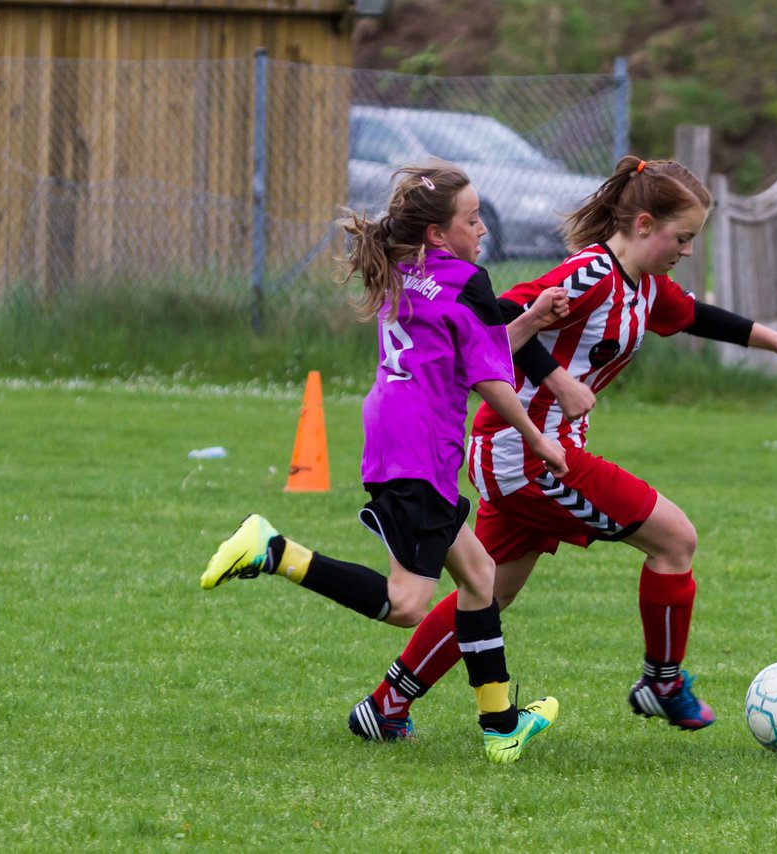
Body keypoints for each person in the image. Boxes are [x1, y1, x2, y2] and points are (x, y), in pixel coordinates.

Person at [348, 155, 777, 740]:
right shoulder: (588, 275)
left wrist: (776, 340)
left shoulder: (644, 285)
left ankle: (386, 703)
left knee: (487, 592)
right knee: (676, 540)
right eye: (683, 237)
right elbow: (496, 315)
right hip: (530, 453)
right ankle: (662, 681)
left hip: (516, 454)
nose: (687, 249)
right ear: (645, 224)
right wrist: (555, 378)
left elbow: (692, 314)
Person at [199, 160, 571, 764]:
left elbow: (468, 341)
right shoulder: (466, 280)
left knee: (479, 581)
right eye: (472, 220)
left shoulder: (408, 267)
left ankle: (501, 727)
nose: (482, 231)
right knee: (407, 605)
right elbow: (487, 375)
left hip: (396, 433)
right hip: (420, 446)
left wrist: (528, 319)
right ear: (437, 233)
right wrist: (537, 437)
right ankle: (274, 551)